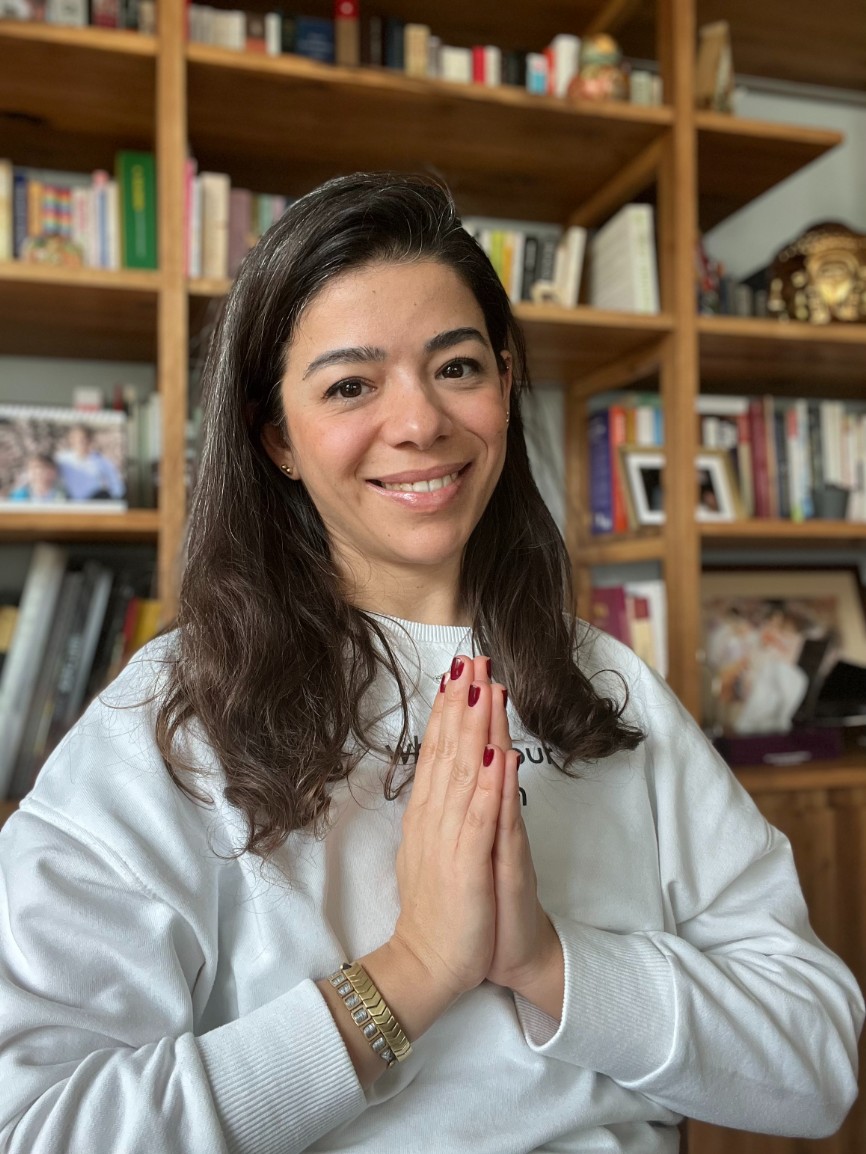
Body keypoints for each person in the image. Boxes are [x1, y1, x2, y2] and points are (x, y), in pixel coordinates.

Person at [0, 173, 861, 1154]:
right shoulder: (171, 715)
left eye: (456, 367)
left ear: (504, 384)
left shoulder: (607, 686)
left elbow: (815, 1062)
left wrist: (544, 959)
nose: (419, 422)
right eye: (350, 385)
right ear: (276, 436)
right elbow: (38, 1125)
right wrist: (412, 970)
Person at [54, 422, 125, 500]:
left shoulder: (101, 461)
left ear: (90, 440)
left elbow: (116, 484)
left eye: (84, 439)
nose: (81, 442)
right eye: (77, 439)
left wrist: (114, 499)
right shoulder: (62, 459)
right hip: (70, 501)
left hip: (93, 501)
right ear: (71, 440)